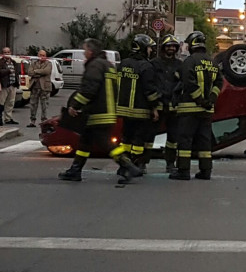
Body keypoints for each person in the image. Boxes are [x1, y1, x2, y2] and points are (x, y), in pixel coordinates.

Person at [58, 38, 142, 183]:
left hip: (98, 113)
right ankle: (75, 170)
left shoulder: (95, 66)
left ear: (90, 51)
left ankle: (129, 166)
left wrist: (75, 106)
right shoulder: (108, 65)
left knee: (106, 144)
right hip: (105, 111)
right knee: (85, 141)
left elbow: (89, 89)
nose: (84, 53)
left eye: (85, 50)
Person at [170, 31, 222, 181]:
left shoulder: (189, 61)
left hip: (189, 109)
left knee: (185, 140)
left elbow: (188, 82)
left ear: (192, 44)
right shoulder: (212, 62)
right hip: (206, 111)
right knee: (204, 140)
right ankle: (206, 171)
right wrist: (210, 99)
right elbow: (219, 82)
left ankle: (183, 171)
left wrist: (200, 99)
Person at [116, 34, 160, 175]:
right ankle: (135, 165)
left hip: (123, 110)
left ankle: (124, 165)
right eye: (148, 48)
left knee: (126, 140)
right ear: (142, 48)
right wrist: (155, 107)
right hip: (140, 110)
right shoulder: (146, 66)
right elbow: (149, 90)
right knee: (138, 142)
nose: (150, 51)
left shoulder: (123, 63)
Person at [151, 34, 184, 174]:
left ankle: (170, 163)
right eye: (168, 46)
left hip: (173, 106)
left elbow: (183, 83)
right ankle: (141, 163)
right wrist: (153, 105)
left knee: (173, 137)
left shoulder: (180, 65)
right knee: (149, 135)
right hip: (157, 105)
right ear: (163, 47)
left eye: (173, 46)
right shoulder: (154, 64)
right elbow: (150, 83)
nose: (171, 48)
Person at [27, 50, 52, 127]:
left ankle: (44, 121)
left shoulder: (49, 63)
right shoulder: (33, 63)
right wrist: (39, 73)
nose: (42, 57)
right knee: (33, 105)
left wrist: (36, 72)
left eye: (43, 55)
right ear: (38, 55)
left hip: (45, 87)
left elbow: (46, 71)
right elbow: (29, 72)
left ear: (46, 56)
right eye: (40, 55)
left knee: (44, 105)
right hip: (34, 87)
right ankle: (32, 121)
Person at [0, 47, 19, 125]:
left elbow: (16, 73)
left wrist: (17, 82)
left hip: (13, 85)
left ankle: (8, 118)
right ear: (2, 54)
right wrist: (8, 71)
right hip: (4, 85)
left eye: (8, 52)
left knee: (10, 103)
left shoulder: (14, 62)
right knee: (1, 102)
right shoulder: (0, 62)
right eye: (5, 52)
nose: (7, 54)